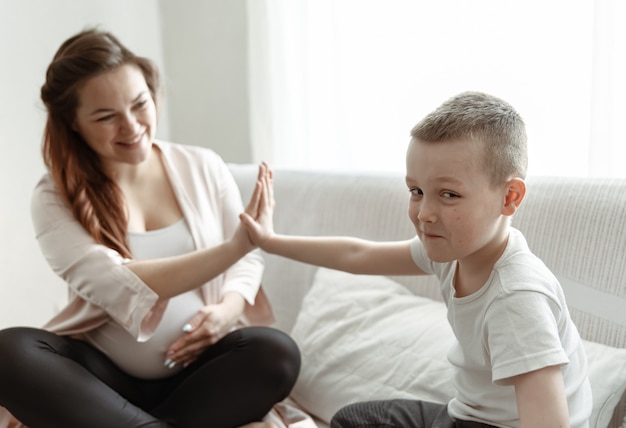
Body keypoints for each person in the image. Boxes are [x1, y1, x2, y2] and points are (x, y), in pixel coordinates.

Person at [0, 28, 300, 428]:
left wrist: (227, 311)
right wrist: (234, 247)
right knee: (9, 351)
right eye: (106, 117)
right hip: (103, 380)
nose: (131, 126)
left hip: (197, 373)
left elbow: (248, 261)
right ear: (73, 123)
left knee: (276, 352)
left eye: (140, 104)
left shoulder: (202, 165)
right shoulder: (55, 196)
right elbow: (119, 282)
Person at [240, 92, 592, 427]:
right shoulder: (450, 253)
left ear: (510, 197)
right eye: (416, 191)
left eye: (449, 194)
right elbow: (357, 254)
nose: (424, 213)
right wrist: (270, 242)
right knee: (353, 420)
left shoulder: (515, 297)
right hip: (467, 417)